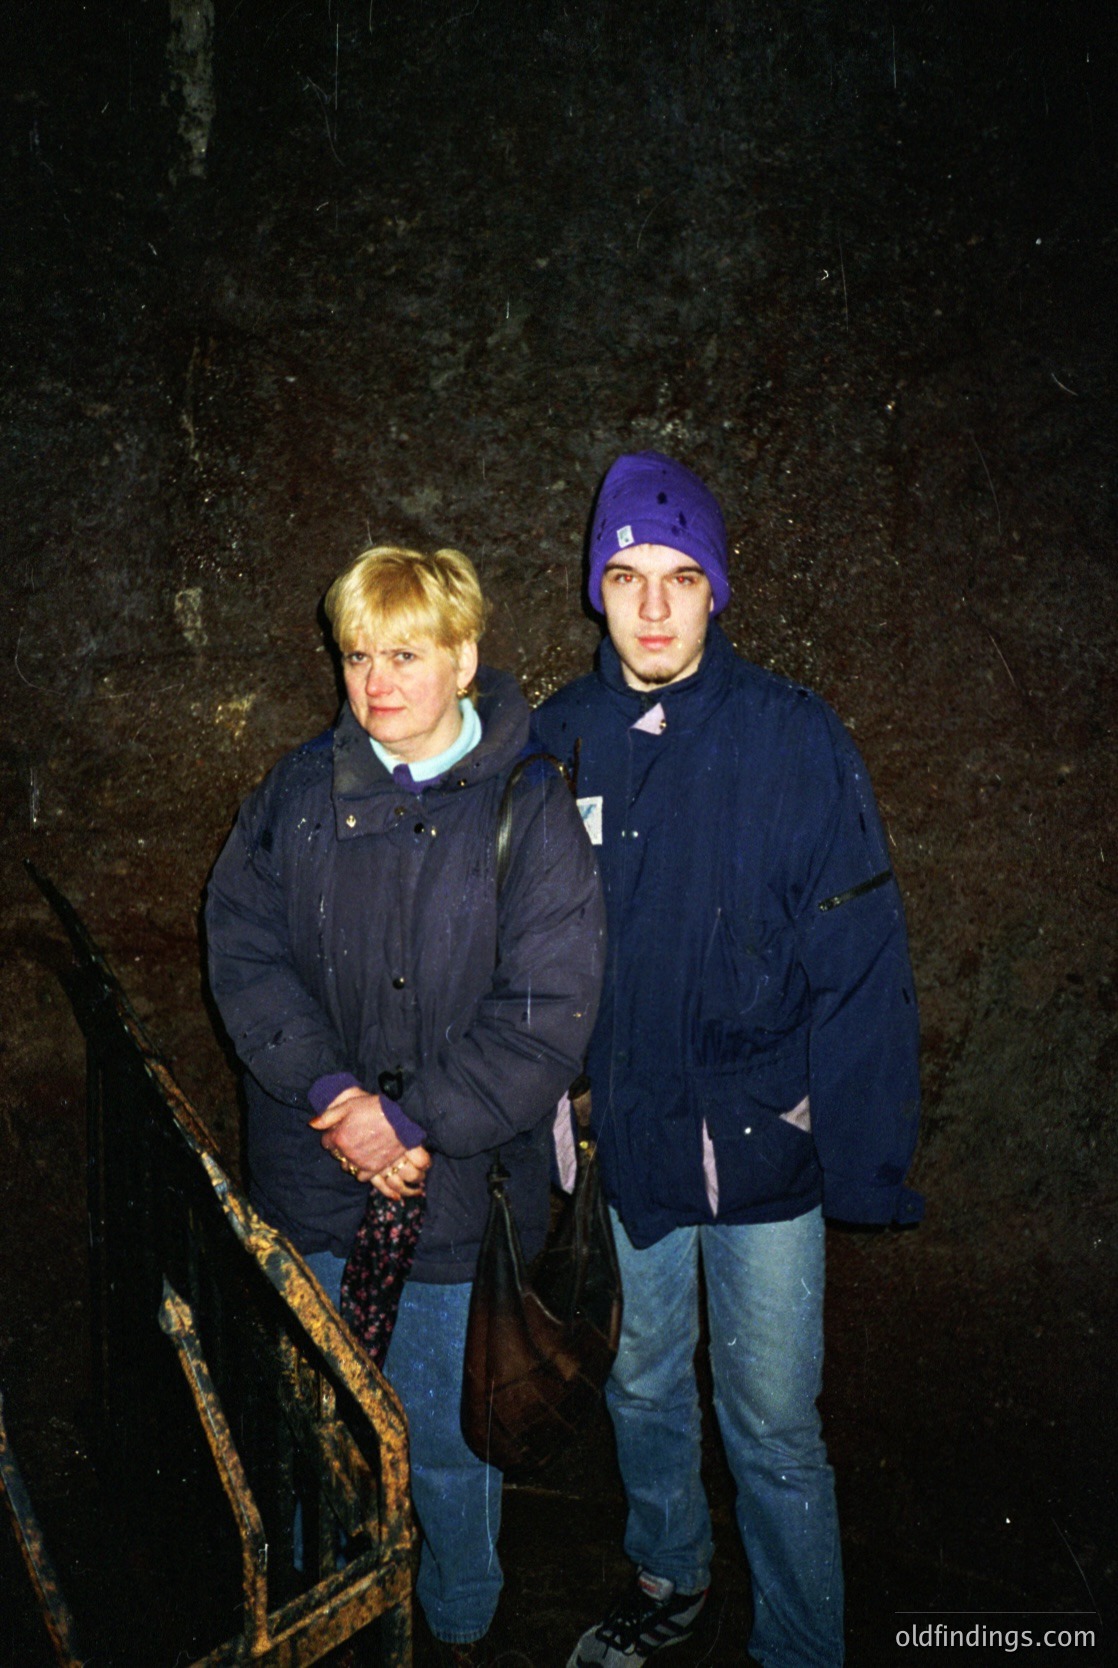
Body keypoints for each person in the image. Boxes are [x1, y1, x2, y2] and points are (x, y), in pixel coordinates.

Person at [531, 453, 923, 1668]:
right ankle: (671, 1582)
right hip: (626, 1141)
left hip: (767, 1142)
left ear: (719, 591)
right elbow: (509, 945)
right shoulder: (556, 740)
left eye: (681, 577)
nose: (653, 606)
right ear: (595, 589)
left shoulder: (794, 738)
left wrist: (861, 1164)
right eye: (627, 575)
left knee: (768, 1420)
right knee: (640, 1386)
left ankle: (803, 1645)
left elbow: (860, 961)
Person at [205, 544, 605, 1657]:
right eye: (357, 654)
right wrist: (333, 1094)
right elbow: (242, 952)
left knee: (446, 1441)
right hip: (316, 1172)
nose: (377, 680)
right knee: (310, 1425)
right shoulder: (295, 792)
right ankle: (318, 1624)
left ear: (463, 658)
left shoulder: (531, 811)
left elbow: (547, 1006)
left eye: (406, 652)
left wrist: (413, 1119)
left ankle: (459, 1630)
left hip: (457, 1197)